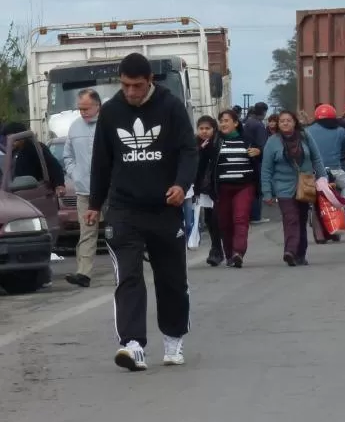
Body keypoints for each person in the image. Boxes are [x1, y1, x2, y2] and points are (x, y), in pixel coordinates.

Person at [86, 52, 198, 371]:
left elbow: (188, 151)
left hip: (165, 207)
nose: (131, 92)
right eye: (125, 86)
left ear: (150, 81)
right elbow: (101, 162)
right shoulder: (111, 112)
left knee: (171, 279)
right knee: (129, 276)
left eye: (137, 86)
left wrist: (181, 184)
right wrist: (95, 204)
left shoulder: (171, 106)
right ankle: (133, 344)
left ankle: (173, 338)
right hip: (124, 209)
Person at [261, 110, 327, 266]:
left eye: (288, 120)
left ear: (294, 122)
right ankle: (289, 251)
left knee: (302, 219)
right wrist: (267, 192)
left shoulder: (305, 136)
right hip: (283, 187)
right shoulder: (272, 142)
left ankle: (300, 254)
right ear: (278, 124)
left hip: (305, 184)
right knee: (291, 219)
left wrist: (323, 179)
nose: (285, 123)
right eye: (282, 120)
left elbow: (317, 158)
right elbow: (266, 169)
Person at [1, 122, 67, 260]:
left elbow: (53, 166)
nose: (8, 141)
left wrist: (59, 184)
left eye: (10, 137)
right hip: (16, 193)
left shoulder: (35, 149)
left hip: (29, 193)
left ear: (21, 136)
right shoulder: (10, 152)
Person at [63, 89, 102, 287]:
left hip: (110, 190)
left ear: (97, 106)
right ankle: (83, 273)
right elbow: (67, 156)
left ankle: (127, 269)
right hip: (84, 191)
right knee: (86, 232)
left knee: (118, 231)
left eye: (86, 108)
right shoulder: (74, 127)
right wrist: (75, 173)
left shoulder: (108, 124)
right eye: (80, 109)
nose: (83, 112)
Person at [213, 109, 261, 267]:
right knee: (225, 223)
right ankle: (229, 254)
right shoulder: (215, 141)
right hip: (222, 188)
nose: (223, 124)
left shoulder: (247, 139)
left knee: (240, 218)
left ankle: (238, 252)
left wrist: (258, 152)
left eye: (226, 120)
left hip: (244, 186)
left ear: (235, 123)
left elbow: (260, 153)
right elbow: (202, 161)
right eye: (221, 121)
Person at [306, 103, 345, 209]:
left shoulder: (307, 131)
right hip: (334, 170)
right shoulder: (340, 131)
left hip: (313, 172)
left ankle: (311, 208)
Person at [190, 115, 224, 266]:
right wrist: (199, 150)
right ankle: (216, 250)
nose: (204, 132)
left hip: (218, 185)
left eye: (207, 128)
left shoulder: (219, 142)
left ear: (214, 129)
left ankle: (222, 249)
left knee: (219, 219)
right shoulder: (193, 144)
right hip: (202, 188)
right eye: (201, 129)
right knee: (210, 219)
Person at [243, 102, 270, 225]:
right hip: (257, 160)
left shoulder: (247, 122)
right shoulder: (258, 125)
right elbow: (263, 144)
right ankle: (256, 216)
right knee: (257, 189)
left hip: (247, 159)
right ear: (264, 112)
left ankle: (249, 214)